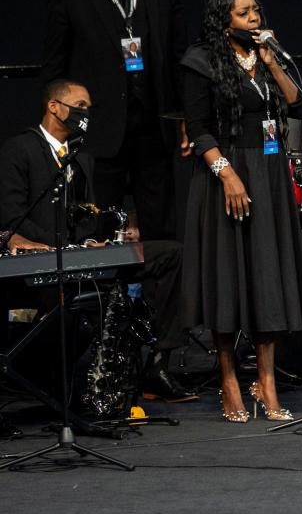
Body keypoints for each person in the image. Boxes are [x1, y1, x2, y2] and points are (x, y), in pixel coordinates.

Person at [0, 79, 195, 403]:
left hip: (83, 256)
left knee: (170, 253)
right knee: (70, 300)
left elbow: (87, 218)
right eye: (80, 106)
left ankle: (157, 362)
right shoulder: (20, 150)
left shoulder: (82, 158)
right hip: (42, 259)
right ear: (54, 107)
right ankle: (46, 381)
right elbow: (12, 218)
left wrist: (99, 241)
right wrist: (63, 246)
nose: (85, 114)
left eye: (89, 108)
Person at [180, 0, 302, 422]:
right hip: (227, 174)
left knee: (267, 278)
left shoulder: (268, 57)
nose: (254, 17)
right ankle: (229, 379)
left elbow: (296, 107)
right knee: (228, 278)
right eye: (244, 11)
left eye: (256, 8)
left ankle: (267, 381)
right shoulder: (200, 61)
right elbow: (197, 128)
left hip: (270, 175)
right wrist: (227, 175)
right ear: (224, 21)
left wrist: (273, 60)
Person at [40, 0, 186, 242]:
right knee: (99, 224)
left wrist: (185, 117)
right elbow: (54, 62)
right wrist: (56, 122)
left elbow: (179, 52)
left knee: (161, 227)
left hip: (154, 124)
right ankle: (106, 295)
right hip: (97, 129)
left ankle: (158, 293)